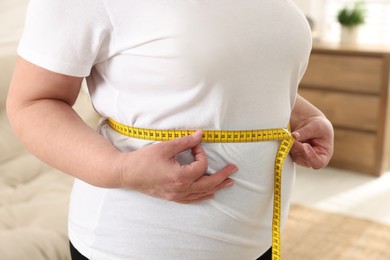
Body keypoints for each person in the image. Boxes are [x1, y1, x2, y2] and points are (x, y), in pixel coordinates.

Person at [6, 1, 334, 259]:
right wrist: (119, 169)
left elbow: (231, 71)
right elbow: (33, 103)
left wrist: (300, 114)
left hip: (258, 238)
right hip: (139, 245)